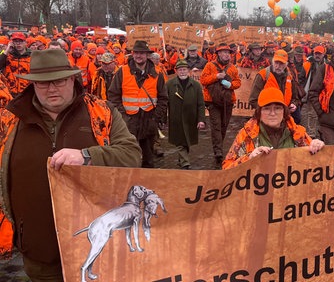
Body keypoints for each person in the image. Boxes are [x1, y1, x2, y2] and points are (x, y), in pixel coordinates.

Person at [0, 49, 141, 281]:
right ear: (33, 84)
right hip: (38, 247)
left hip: (96, 242)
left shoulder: (101, 112)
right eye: (43, 83)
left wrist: (88, 156)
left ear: (72, 79)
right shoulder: (10, 119)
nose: (52, 88)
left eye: (59, 81)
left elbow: (131, 154)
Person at [223, 88, 324, 169]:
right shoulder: (246, 135)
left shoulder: (297, 133)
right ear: (259, 112)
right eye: (267, 109)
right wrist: (249, 158)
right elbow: (226, 168)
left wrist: (318, 148)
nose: (272, 113)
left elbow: (317, 165)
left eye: (277, 108)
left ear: (284, 112)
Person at [108, 40, 168, 168]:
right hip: (128, 122)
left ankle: (147, 184)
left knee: (148, 160)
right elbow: (113, 95)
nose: (138, 56)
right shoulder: (122, 71)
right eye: (136, 52)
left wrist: (155, 117)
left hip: (148, 121)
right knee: (128, 158)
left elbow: (163, 98)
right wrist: (123, 114)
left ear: (147, 55)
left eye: (142, 53)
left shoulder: (157, 73)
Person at [200, 42, 242, 168]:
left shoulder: (232, 68)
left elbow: (238, 83)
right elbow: (203, 80)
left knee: (224, 126)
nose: (226, 55)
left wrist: (231, 85)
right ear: (218, 53)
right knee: (216, 127)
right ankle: (218, 151)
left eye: (228, 52)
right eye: (223, 52)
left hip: (227, 102)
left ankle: (219, 145)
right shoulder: (209, 66)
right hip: (213, 102)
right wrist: (216, 76)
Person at [166, 59, 206, 169]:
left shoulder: (196, 85)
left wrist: (201, 119)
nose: (182, 72)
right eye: (180, 70)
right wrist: (163, 118)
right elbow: (164, 102)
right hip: (176, 119)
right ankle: (185, 162)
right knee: (180, 142)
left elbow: (201, 104)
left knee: (186, 141)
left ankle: (181, 160)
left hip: (191, 119)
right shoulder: (169, 85)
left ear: (188, 71)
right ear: (176, 71)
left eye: (184, 69)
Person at [248, 49, 300, 114]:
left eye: (281, 64)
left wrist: (293, 104)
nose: (278, 66)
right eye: (276, 62)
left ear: (286, 64)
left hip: (285, 115)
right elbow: (253, 100)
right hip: (266, 117)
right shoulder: (263, 75)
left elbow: (295, 98)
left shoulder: (290, 76)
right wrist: (267, 111)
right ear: (272, 61)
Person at [300, 45, 326, 138]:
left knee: (315, 113)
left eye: (319, 54)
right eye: (316, 54)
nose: (317, 56)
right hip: (310, 93)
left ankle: (313, 132)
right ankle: (310, 133)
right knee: (309, 113)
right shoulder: (307, 64)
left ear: (323, 54)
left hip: (321, 93)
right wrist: (303, 90)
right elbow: (301, 78)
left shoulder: (327, 66)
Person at [0, 32, 32, 96]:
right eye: (15, 41)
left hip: (27, 93)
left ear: (25, 42)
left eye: (21, 41)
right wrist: (7, 49)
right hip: (10, 93)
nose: (18, 43)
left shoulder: (32, 56)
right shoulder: (8, 56)